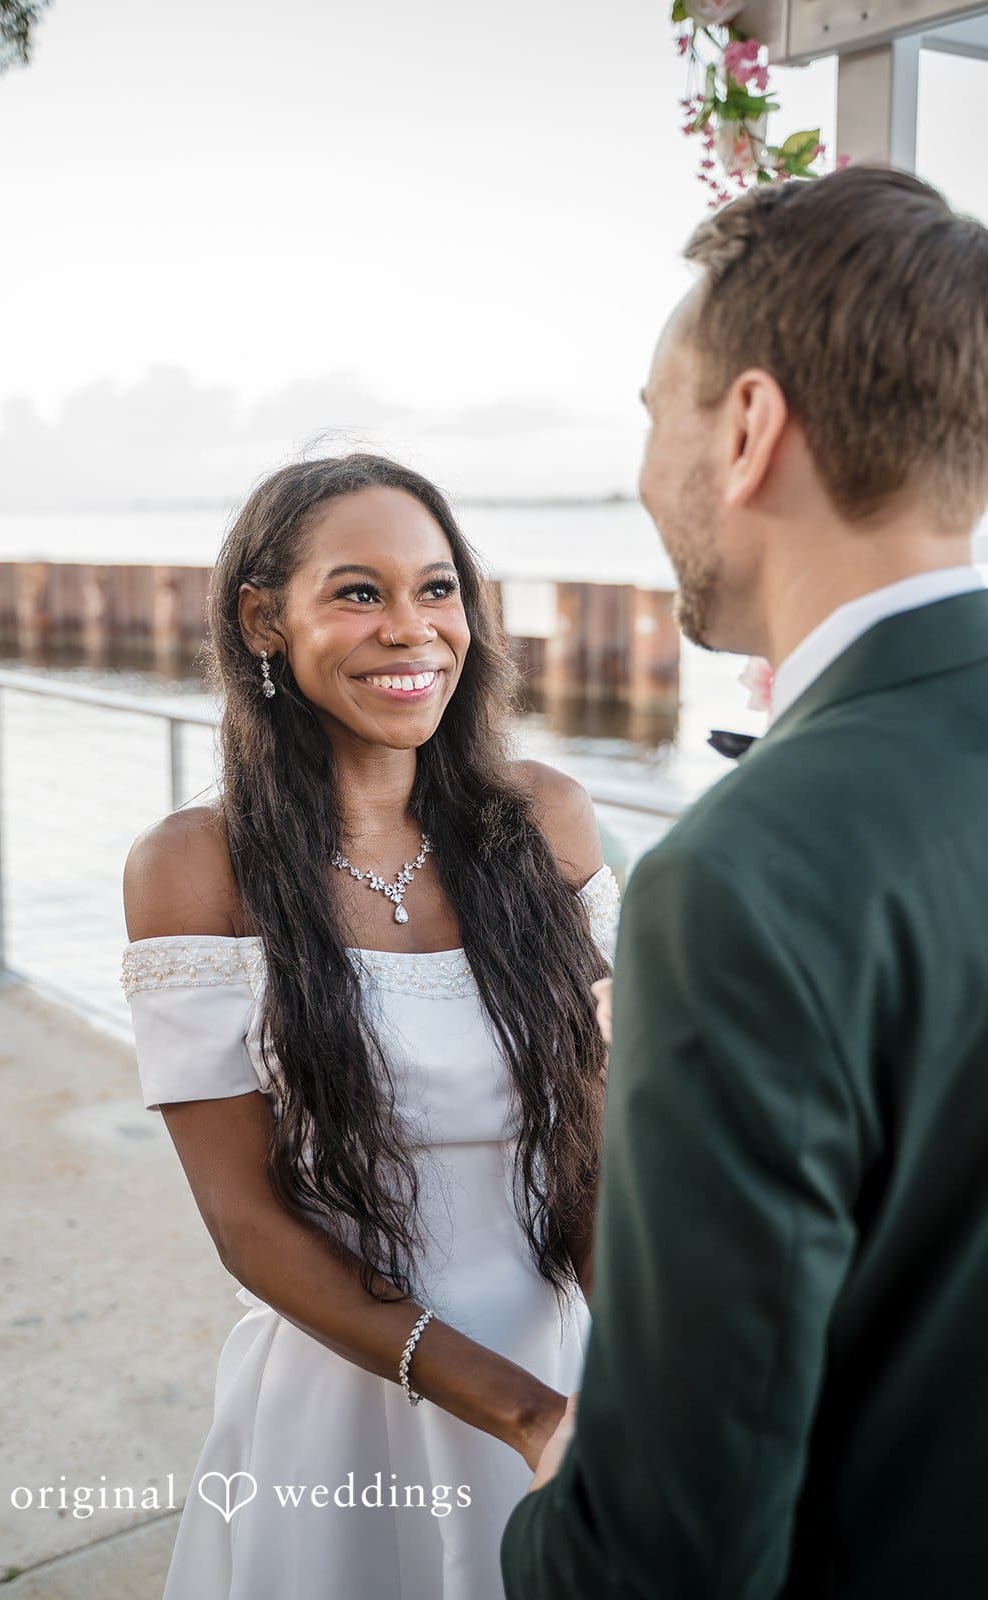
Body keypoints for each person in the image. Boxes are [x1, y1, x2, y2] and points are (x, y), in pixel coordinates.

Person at [500, 164, 988, 1598]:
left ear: (746, 429)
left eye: (652, 418)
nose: (646, 470)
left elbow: (669, 1555)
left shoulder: (737, 882)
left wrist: (552, 1498)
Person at [120, 453, 621, 1600]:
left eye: (436, 589)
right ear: (263, 620)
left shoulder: (545, 820)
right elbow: (246, 1221)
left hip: (562, 1362)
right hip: (346, 1394)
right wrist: (518, 1413)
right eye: (358, 592)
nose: (412, 629)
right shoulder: (194, 868)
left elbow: (595, 1157)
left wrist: (634, 1380)